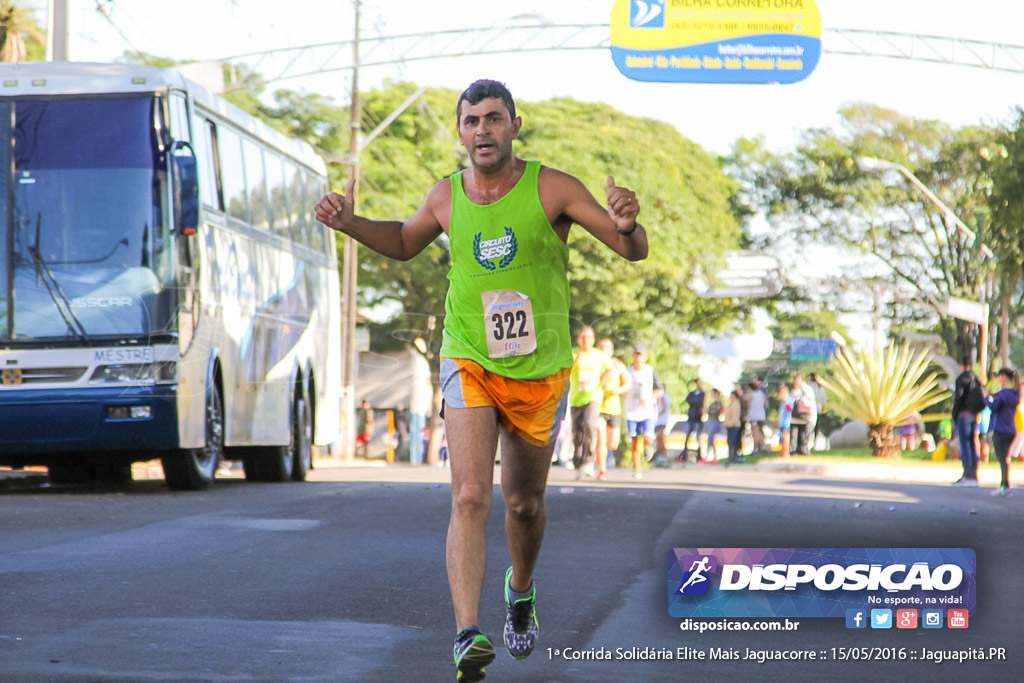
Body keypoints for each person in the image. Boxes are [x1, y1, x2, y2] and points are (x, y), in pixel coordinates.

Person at [314, 79, 648, 681]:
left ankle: (520, 592)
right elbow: (404, 242)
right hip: (468, 358)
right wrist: (351, 224)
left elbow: (632, 251)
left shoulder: (553, 188)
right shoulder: (446, 195)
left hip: (539, 370)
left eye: (494, 119)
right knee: (469, 496)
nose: (482, 131)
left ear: (515, 126)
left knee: (524, 505)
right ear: (461, 132)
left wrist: (625, 223)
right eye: (471, 121)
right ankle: (468, 633)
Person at [569, 327, 610, 480]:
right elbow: (565, 371)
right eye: (583, 337)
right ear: (578, 339)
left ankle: (588, 461)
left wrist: (603, 382)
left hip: (593, 396)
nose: (585, 340)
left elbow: (611, 369)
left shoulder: (598, 355)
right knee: (577, 431)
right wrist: (577, 360)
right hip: (576, 397)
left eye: (588, 337)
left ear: (593, 340)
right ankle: (578, 461)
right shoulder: (573, 353)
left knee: (589, 425)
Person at [623, 345, 664, 479]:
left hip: (647, 412)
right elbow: (621, 385)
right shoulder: (628, 371)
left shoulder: (650, 371)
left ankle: (649, 446)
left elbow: (660, 390)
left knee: (647, 437)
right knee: (634, 441)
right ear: (633, 356)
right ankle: (637, 468)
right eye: (637, 354)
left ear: (645, 357)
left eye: (641, 355)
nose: (638, 358)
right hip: (631, 411)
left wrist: (650, 398)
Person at [595, 338, 631, 480]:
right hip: (598, 406)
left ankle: (603, 459)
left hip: (614, 407)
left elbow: (628, 383)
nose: (604, 349)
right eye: (601, 347)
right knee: (601, 437)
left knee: (612, 444)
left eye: (607, 347)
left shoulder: (618, 365)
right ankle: (602, 470)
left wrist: (617, 391)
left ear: (612, 351)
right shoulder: (595, 364)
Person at [950, 356, 985, 487]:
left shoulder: (962, 379)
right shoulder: (976, 379)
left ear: (961, 365)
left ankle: (968, 474)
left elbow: (958, 398)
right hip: (974, 414)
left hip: (964, 414)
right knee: (972, 443)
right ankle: (973, 474)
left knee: (964, 444)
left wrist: (955, 414)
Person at [985, 367, 1019, 496]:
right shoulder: (1014, 394)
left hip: (1000, 429)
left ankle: (1005, 486)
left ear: (1004, 377)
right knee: (1005, 459)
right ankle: (1004, 485)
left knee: (1002, 460)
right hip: (1011, 428)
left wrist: (986, 399)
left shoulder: (1002, 394)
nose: (998, 378)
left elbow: (994, 407)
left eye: (999, 376)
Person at [789, 374, 817, 455]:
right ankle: (794, 450)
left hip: (805, 417)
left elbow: (810, 404)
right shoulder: (792, 392)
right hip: (795, 418)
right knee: (795, 435)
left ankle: (803, 450)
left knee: (804, 435)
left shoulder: (806, 390)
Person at [682, 379, 706, 463]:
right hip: (691, 418)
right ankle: (684, 455)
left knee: (698, 438)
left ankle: (699, 456)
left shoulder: (703, 394)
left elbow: (699, 403)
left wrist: (695, 403)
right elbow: (689, 400)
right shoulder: (692, 394)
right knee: (687, 437)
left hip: (698, 419)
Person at [746, 380, 768, 453]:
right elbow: (765, 404)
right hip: (762, 415)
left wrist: (747, 414)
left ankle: (756, 447)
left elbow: (748, 405)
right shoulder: (762, 394)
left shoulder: (751, 395)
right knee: (760, 432)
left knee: (755, 432)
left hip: (754, 415)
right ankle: (762, 446)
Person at [723, 387, 743, 465]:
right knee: (731, 441)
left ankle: (732, 457)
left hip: (733, 425)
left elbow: (735, 416)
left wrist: (729, 424)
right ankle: (732, 457)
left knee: (731, 441)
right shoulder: (733, 403)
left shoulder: (735, 404)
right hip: (731, 425)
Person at [703, 388, 723, 462]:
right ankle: (712, 456)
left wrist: (708, 410)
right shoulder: (714, 401)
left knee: (710, 438)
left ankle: (709, 456)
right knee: (710, 439)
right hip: (711, 420)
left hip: (715, 420)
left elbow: (716, 411)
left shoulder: (718, 402)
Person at [653, 388, 672, 466]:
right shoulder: (663, 396)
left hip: (660, 420)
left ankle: (662, 455)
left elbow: (663, 408)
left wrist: (656, 413)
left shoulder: (662, 396)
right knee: (659, 439)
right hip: (659, 420)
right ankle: (660, 455)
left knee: (660, 438)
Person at [777, 384, 793, 458]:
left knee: (786, 437)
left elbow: (789, 411)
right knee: (782, 438)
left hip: (786, 422)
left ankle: (786, 453)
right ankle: (782, 451)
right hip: (782, 422)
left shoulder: (789, 401)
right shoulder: (783, 402)